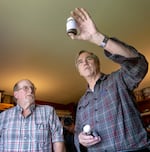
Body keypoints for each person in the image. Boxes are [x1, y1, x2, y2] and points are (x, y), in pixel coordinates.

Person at [68, 8, 150, 151]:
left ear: (97, 63)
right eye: (80, 62)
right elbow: (77, 133)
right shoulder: (81, 102)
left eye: (88, 59)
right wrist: (80, 139)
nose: (85, 63)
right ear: (79, 71)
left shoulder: (118, 80)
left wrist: (98, 38)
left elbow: (138, 65)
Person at [0, 79, 65, 152]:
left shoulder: (48, 111)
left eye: (33, 88)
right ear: (16, 94)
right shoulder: (2, 117)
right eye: (25, 88)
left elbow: (58, 139)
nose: (31, 91)